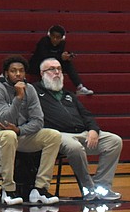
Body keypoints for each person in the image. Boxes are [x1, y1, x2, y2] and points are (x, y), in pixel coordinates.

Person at [36, 58, 123, 201]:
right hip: (56, 135)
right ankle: (88, 187)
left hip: (81, 132)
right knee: (74, 147)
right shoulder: (35, 92)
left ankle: (102, 187)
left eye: (59, 69)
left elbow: (86, 115)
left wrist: (93, 130)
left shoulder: (68, 94)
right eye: (52, 69)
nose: (57, 72)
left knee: (114, 141)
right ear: (42, 73)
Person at [0, 55, 62, 206]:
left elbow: (38, 121)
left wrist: (20, 130)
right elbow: (6, 121)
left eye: (21, 71)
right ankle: (8, 189)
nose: (18, 74)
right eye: (13, 71)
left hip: (20, 135)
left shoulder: (31, 89)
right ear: (6, 73)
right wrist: (18, 98)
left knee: (53, 136)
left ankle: (40, 189)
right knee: (8, 134)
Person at [27, 25, 93, 95]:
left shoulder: (62, 44)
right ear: (49, 35)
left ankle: (80, 87)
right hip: (37, 65)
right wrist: (60, 57)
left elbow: (58, 57)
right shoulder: (44, 41)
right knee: (49, 65)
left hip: (52, 65)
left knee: (67, 63)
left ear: (62, 38)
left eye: (58, 37)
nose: (55, 39)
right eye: (53, 36)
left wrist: (66, 56)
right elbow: (44, 56)